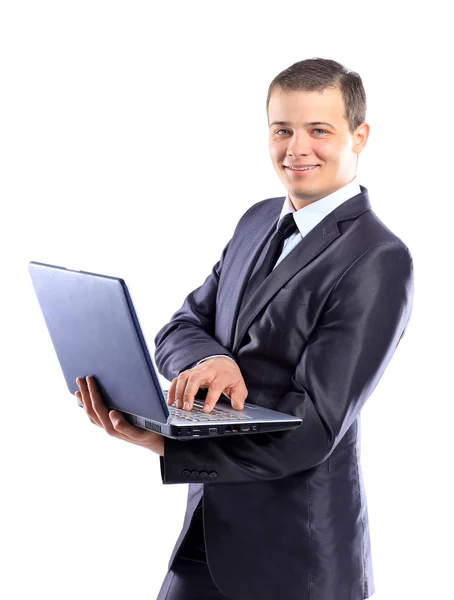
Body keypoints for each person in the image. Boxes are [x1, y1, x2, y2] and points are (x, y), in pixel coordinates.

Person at [76, 57, 414, 600]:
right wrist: (212, 360)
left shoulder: (378, 258)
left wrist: (167, 446)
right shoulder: (257, 220)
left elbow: (312, 432)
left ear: (360, 136)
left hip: (295, 561)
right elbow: (180, 328)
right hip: (205, 539)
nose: (296, 149)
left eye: (318, 131)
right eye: (282, 129)